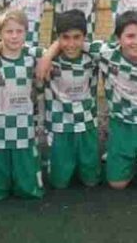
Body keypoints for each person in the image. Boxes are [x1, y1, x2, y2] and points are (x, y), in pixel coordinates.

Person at [39, 11, 137, 191]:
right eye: (130, 36)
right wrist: (47, 57)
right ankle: (132, 159)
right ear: (118, 38)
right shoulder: (106, 54)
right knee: (116, 184)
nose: (136, 41)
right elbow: (68, 39)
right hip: (121, 124)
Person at [0, 10, 44, 200]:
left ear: (26, 32)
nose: (14, 36)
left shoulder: (32, 58)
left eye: (19, 31)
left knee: (27, 188)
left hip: (24, 128)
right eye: (9, 31)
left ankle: (26, 184)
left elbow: (40, 85)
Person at [43, 10, 101, 189]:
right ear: (58, 38)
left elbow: (115, 47)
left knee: (91, 181)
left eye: (77, 37)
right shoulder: (48, 59)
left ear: (85, 37)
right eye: (65, 38)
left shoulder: (93, 57)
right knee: (59, 184)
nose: (71, 44)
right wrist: (47, 56)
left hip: (87, 124)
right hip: (60, 126)